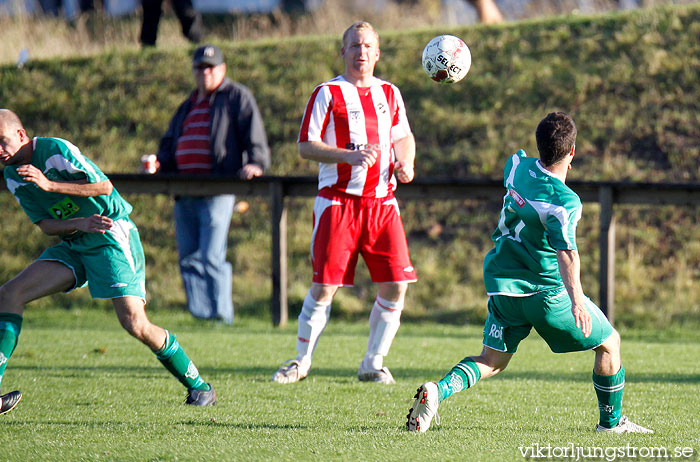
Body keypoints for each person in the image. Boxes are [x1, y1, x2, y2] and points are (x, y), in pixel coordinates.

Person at [406, 112, 653, 433]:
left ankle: (437, 391)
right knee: (610, 344)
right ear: (572, 152)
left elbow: (516, 158)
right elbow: (566, 253)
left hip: (502, 287)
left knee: (491, 360)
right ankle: (611, 424)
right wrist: (577, 299)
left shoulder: (517, 168)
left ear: (539, 146)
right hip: (546, 295)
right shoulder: (564, 201)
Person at [0, 109, 217, 415]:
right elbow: (46, 225)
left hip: (109, 232)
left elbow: (104, 187)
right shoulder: (12, 176)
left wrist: (50, 185)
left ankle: (199, 386)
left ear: (21, 135)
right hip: (75, 240)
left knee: (134, 323)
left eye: (1, 140)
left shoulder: (54, 151)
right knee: (9, 294)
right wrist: (77, 223)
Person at [272, 21, 417, 385]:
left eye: (368, 46)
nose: (361, 52)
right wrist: (346, 157)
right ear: (343, 51)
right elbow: (306, 145)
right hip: (339, 203)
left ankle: (373, 361)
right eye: (354, 45)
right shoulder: (327, 93)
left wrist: (406, 162)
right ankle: (301, 362)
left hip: (383, 204)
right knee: (324, 286)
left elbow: (404, 137)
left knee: (395, 284)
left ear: (378, 53)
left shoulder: (390, 93)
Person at [155, 44, 270, 324]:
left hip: (218, 189)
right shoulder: (188, 104)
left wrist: (256, 163)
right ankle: (202, 317)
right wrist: (160, 162)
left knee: (211, 256)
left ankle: (222, 318)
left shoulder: (236, 96)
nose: (205, 72)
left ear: (222, 69)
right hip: (184, 190)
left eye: (210, 67)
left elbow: (254, 134)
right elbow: (170, 141)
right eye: (200, 67)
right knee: (189, 259)